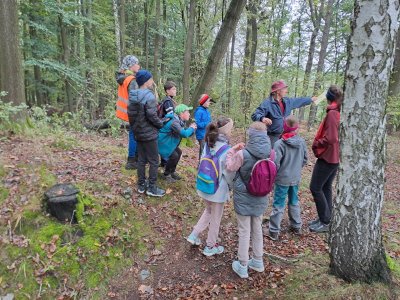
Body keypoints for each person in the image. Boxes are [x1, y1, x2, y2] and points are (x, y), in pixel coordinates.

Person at [225, 121, 271, 279]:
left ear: (250, 136)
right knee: (257, 228)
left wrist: (232, 151)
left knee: (244, 230)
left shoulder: (242, 154)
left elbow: (229, 167)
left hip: (244, 196)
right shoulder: (271, 153)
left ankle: (243, 265)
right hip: (261, 196)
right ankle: (258, 261)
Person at [186, 117, 234, 256]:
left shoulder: (208, 143)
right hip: (218, 190)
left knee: (208, 211)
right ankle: (210, 246)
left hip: (204, 185)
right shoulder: (227, 149)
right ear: (227, 130)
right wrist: (231, 187)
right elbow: (229, 173)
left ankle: (194, 235)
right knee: (216, 218)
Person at [267, 115, 308, 241]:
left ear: (284, 127)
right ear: (296, 128)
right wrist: (296, 169)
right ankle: (296, 225)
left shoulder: (279, 144)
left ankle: (274, 230)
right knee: (294, 201)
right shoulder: (301, 142)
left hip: (282, 179)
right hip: (295, 177)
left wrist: (274, 175)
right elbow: (305, 159)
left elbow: (275, 163)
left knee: (279, 203)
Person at [309, 85, 343, 233]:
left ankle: (325, 221)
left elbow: (332, 138)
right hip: (335, 156)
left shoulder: (332, 113)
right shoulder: (338, 111)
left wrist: (317, 143)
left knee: (315, 187)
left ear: (328, 98)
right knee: (325, 186)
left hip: (328, 157)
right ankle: (326, 218)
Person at [128, 70, 165, 197]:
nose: (152, 81)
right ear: (145, 81)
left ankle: (141, 185)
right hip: (149, 134)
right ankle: (152, 188)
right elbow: (152, 116)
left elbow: (131, 116)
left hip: (138, 133)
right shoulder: (149, 96)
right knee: (154, 160)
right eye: (150, 79)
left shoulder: (132, 95)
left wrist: (135, 128)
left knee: (141, 160)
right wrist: (160, 124)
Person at [251, 80, 317, 146]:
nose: (286, 91)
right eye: (284, 89)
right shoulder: (267, 103)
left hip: (286, 136)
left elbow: (299, 100)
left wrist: (310, 99)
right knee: (274, 155)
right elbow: (255, 115)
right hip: (272, 137)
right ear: (278, 91)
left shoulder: (287, 101)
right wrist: (262, 118)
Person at [158, 104, 197, 182]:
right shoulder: (174, 122)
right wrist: (191, 128)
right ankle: (166, 174)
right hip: (162, 142)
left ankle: (172, 172)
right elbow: (184, 134)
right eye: (187, 112)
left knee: (179, 152)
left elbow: (186, 132)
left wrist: (193, 129)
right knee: (174, 155)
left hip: (167, 142)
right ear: (182, 113)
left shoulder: (180, 121)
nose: (189, 114)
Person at [115, 55, 141, 170]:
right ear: (131, 66)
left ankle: (134, 158)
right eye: (137, 64)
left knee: (133, 134)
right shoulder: (131, 80)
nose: (139, 66)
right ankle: (132, 160)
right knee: (134, 135)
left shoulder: (123, 78)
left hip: (127, 112)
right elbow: (135, 98)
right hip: (133, 112)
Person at [158, 81, 178, 167]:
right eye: (173, 89)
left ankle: (163, 163)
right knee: (168, 145)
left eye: (175, 89)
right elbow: (171, 116)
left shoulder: (168, 100)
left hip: (164, 126)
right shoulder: (168, 101)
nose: (175, 91)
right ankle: (166, 165)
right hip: (166, 127)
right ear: (167, 91)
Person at [194, 94, 215, 160]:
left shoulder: (206, 111)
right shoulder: (199, 111)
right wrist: (208, 124)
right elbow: (197, 124)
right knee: (203, 151)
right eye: (208, 101)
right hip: (201, 135)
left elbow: (208, 120)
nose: (209, 103)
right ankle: (200, 166)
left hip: (207, 134)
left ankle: (204, 165)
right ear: (204, 102)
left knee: (206, 150)